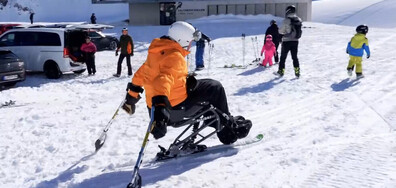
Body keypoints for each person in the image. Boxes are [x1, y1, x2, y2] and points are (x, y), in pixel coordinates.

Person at [121, 21, 252, 145]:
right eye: (190, 42)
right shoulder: (175, 57)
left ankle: (219, 121)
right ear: (182, 40)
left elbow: (141, 74)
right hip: (173, 111)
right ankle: (228, 131)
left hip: (157, 109)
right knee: (215, 88)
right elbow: (162, 81)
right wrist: (160, 112)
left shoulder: (158, 53)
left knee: (203, 89)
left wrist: (131, 97)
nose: (190, 45)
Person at [276, 5, 302, 77]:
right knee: (295, 57)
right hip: (295, 41)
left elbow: (281, 31)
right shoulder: (299, 20)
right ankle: (297, 72)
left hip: (286, 41)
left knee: (283, 57)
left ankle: (281, 71)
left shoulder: (286, 20)